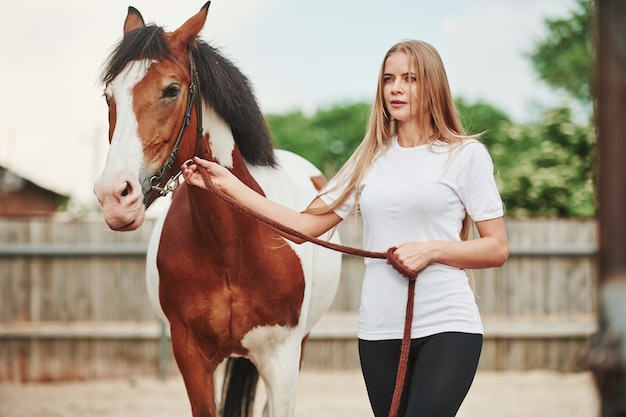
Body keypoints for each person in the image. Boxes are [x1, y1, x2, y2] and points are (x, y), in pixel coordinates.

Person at [182, 39, 509, 417]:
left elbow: (496, 248)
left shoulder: (465, 155)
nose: (396, 88)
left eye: (410, 79)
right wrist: (227, 184)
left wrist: (432, 249)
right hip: (379, 329)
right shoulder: (370, 158)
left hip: (448, 325)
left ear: (433, 85)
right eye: (389, 79)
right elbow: (302, 226)